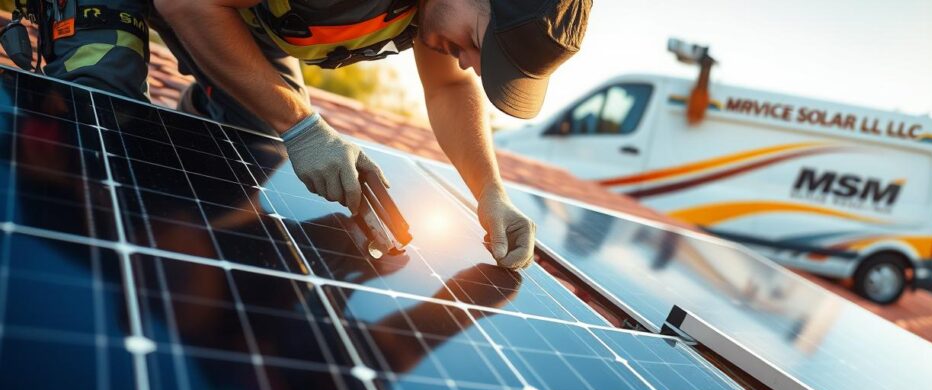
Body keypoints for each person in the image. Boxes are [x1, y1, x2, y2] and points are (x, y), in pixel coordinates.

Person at [27, 0, 592, 270]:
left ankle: (185, 127)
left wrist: (490, 192)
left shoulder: (438, 14)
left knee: (255, 149)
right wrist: (302, 125)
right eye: (478, 44)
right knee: (96, 117)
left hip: (235, 11)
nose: (469, 62)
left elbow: (448, 90)